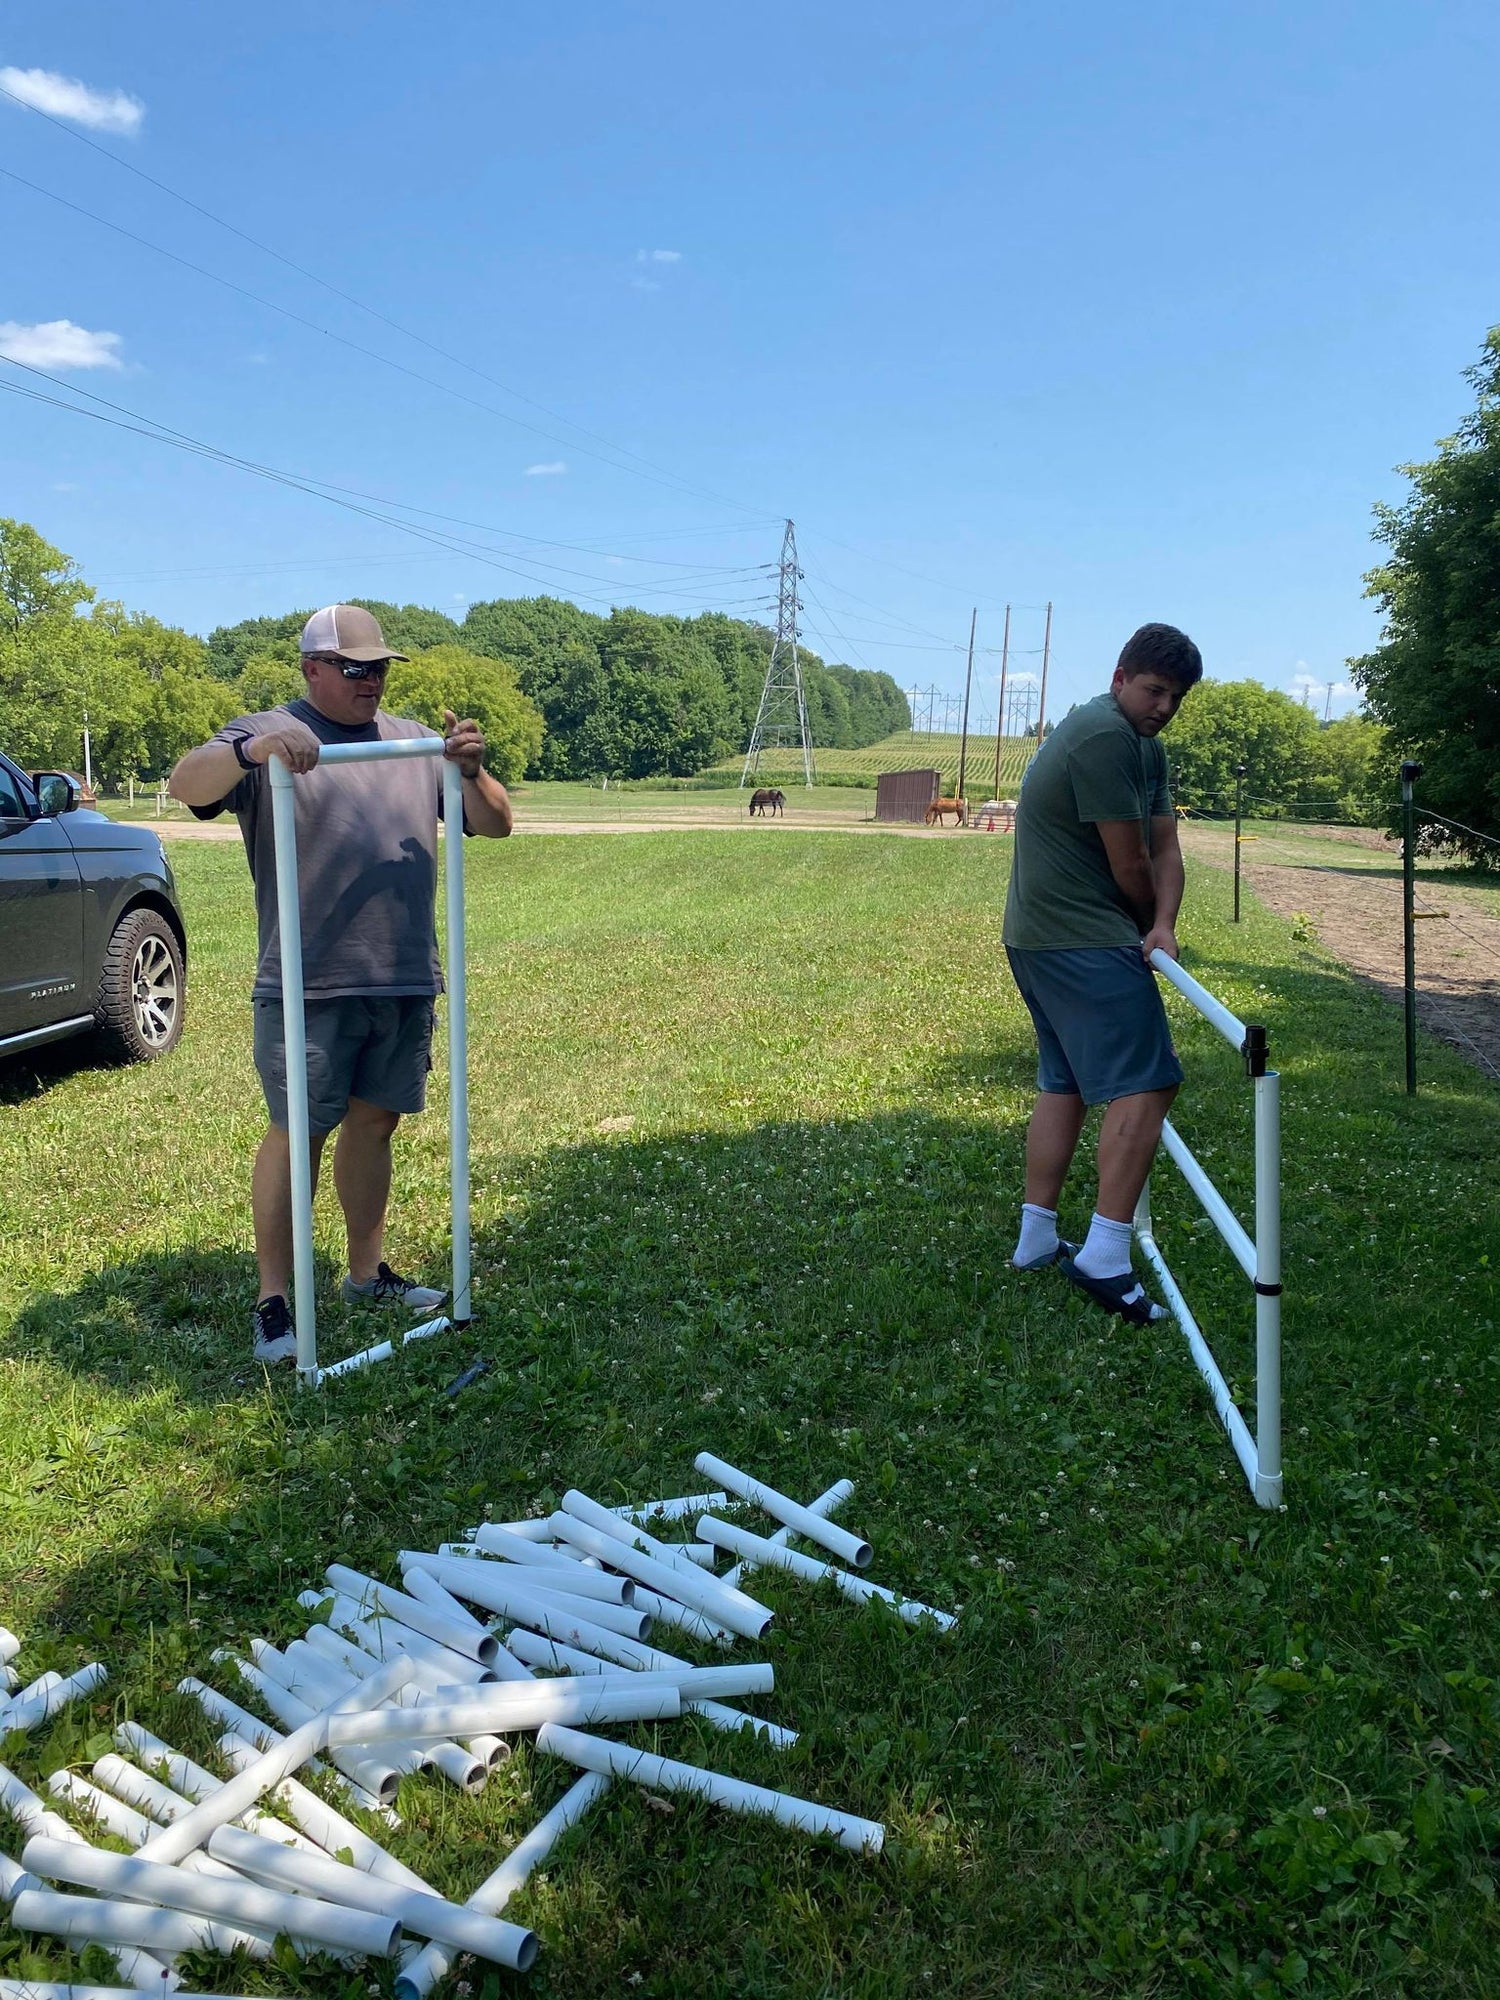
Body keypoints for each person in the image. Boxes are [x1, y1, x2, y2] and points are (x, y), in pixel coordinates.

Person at [168, 604, 513, 1364]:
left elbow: (495, 824)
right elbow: (186, 782)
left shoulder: (410, 741)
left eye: (380, 667)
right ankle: (274, 1301)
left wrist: (471, 769)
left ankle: (365, 1274)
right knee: (299, 1131)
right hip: (306, 979)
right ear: (312, 668)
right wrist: (253, 751)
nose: (371, 680)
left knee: (376, 1122)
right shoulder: (268, 732)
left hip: (402, 973)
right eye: (355, 668)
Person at [1000, 622, 1202, 1325]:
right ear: (1120, 678)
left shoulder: (1146, 747)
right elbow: (1130, 862)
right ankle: (1106, 1257)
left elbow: (1166, 845)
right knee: (1149, 1081)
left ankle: (1035, 1240)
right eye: (1154, 690)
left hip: (1041, 937)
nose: (1164, 707)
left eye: (1176, 697)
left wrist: (1164, 925)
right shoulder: (1103, 735)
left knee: (1067, 1082)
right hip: (1077, 937)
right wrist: (1144, 919)